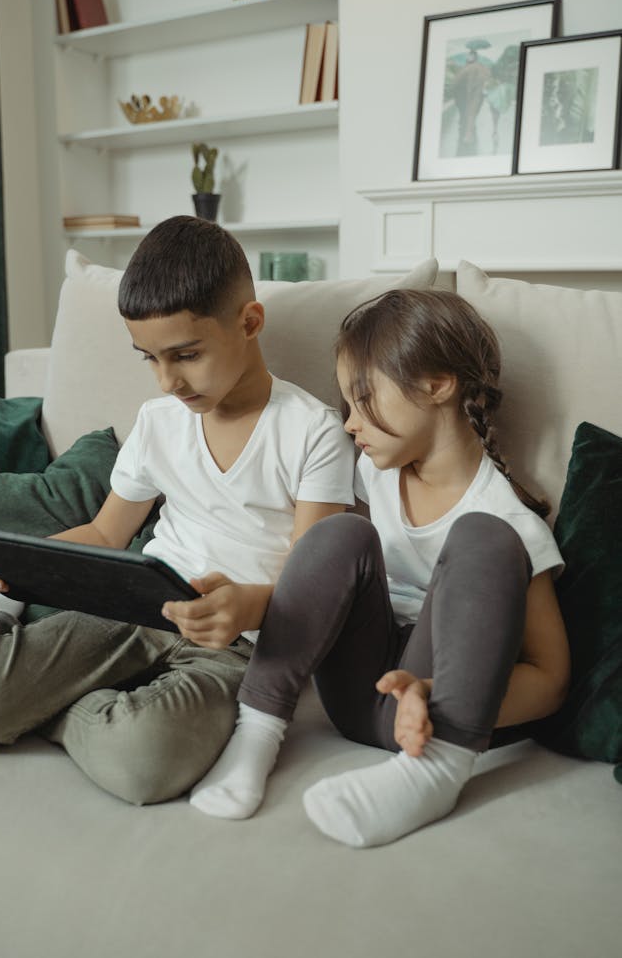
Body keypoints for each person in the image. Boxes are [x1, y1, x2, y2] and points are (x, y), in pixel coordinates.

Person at [0, 215, 354, 805]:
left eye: (186, 355)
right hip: (132, 605)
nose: (167, 381)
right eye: (149, 358)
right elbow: (106, 533)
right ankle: (1, 626)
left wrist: (248, 603)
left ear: (250, 322)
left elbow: (315, 580)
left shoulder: (313, 431)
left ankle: (43, 707)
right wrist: (4, 571)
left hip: (236, 643)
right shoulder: (158, 423)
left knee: (143, 762)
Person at [189, 289, 570, 847]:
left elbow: (552, 681)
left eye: (363, 399)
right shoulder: (374, 475)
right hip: (357, 696)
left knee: (485, 536)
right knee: (340, 532)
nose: (349, 423)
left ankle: (435, 771)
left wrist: (435, 695)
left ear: (437, 385)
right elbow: (328, 582)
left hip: (436, 710)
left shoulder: (512, 522)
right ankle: (258, 732)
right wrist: (250, 603)